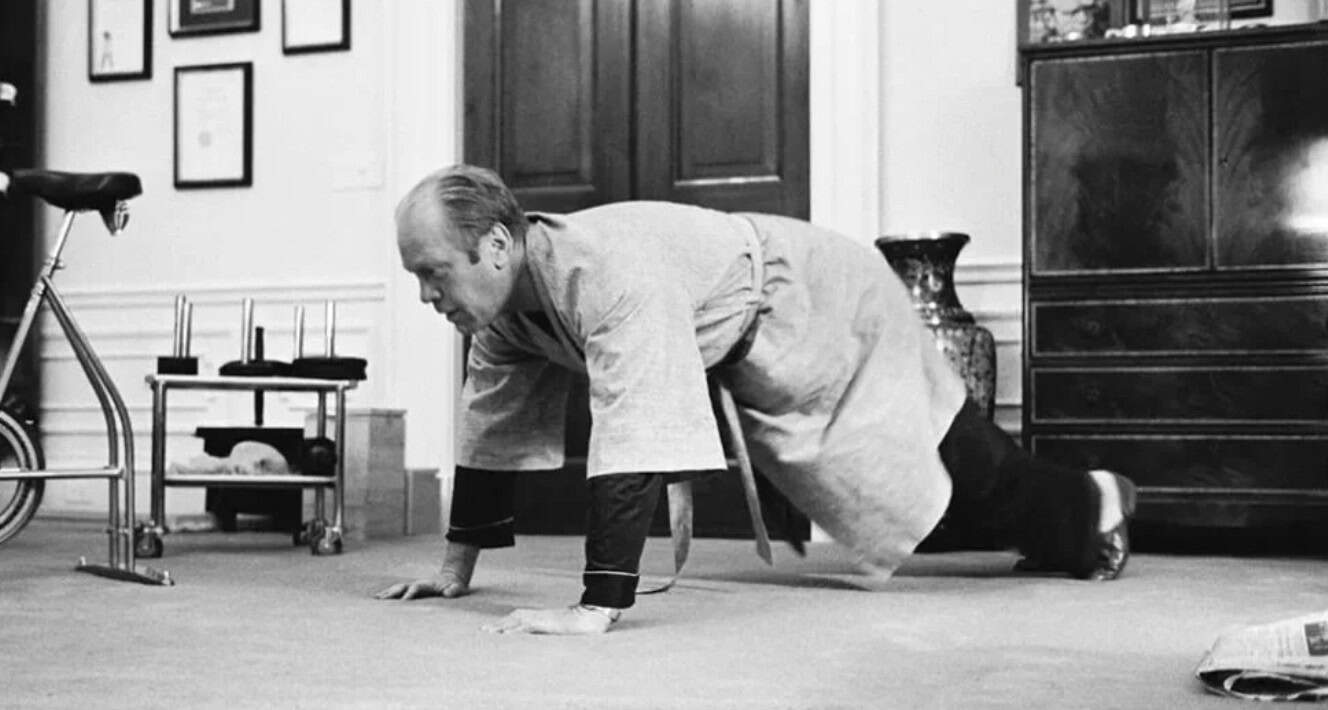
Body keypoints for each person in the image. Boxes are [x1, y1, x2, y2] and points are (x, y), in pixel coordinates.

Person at [375, 164, 1137, 635]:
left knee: (946, 459)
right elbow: (491, 429)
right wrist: (454, 569)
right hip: (756, 346)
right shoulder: (502, 315)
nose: (426, 294)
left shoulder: (607, 275)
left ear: (498, 248)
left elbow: (635, 430)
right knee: (897, 511)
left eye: (433, 272)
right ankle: (1067, 523)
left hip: (817, 298)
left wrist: (596, 606)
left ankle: (1094, 501)